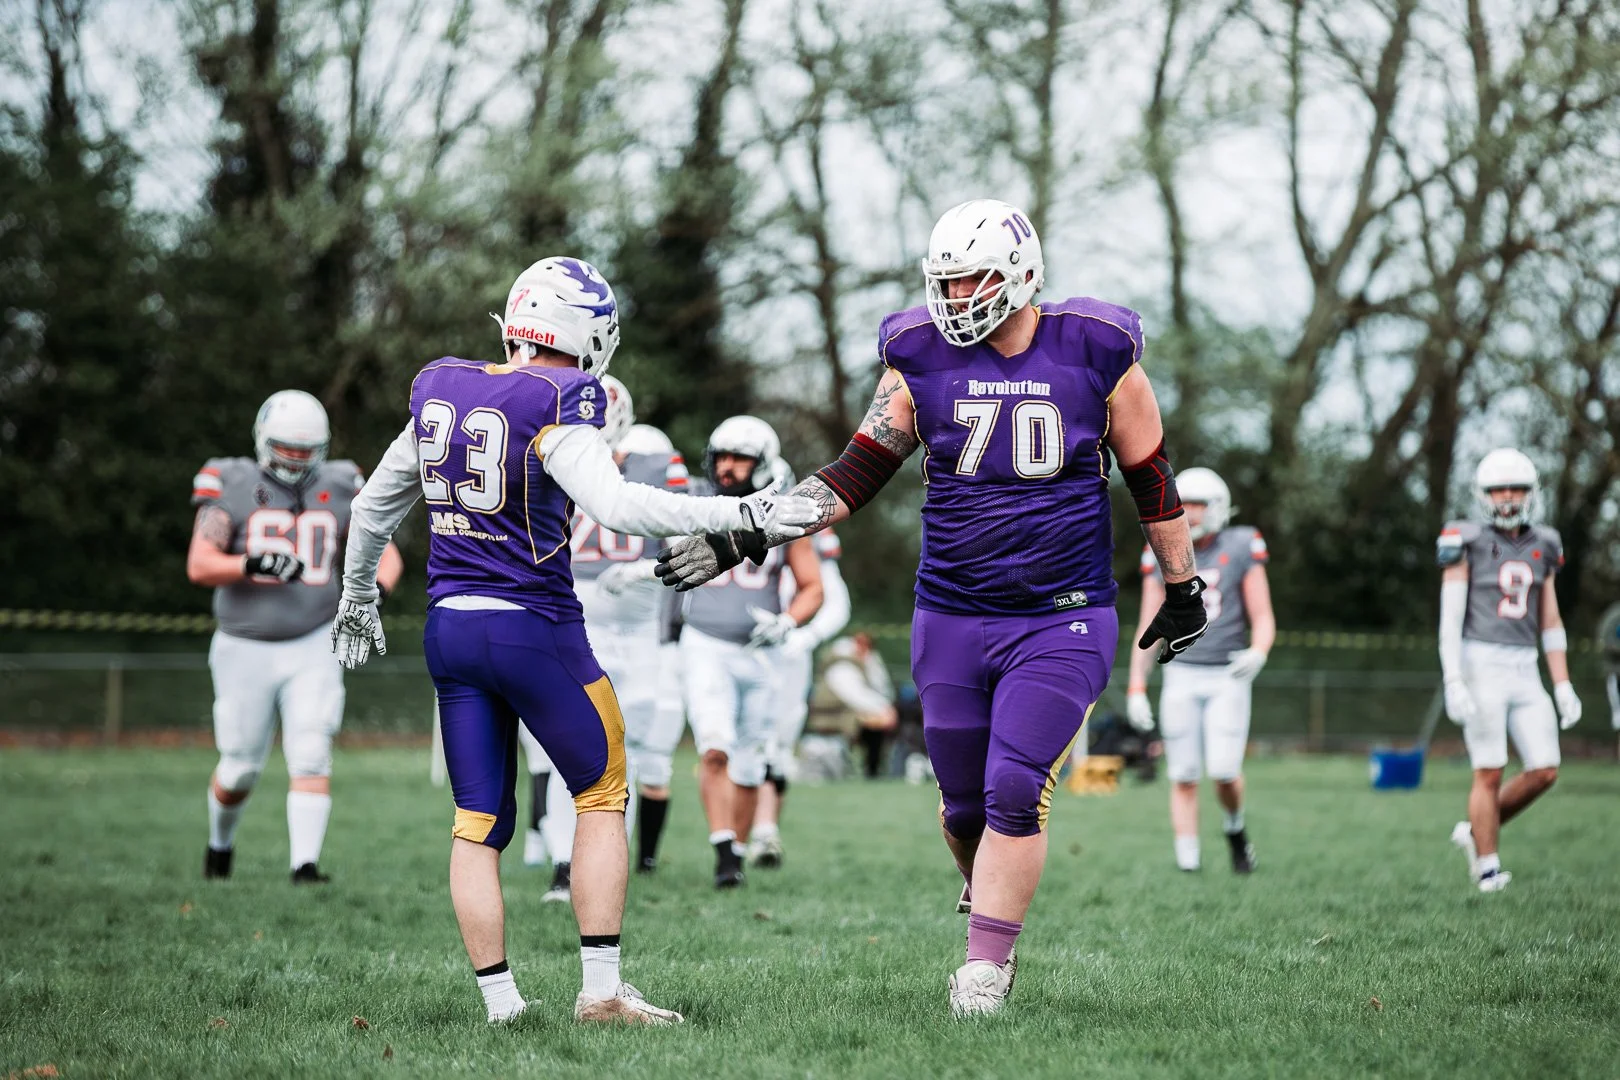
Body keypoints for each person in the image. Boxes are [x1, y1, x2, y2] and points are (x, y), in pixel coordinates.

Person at [656, 199, 1208, 1015]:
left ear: (1021, 274)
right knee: (963, 805)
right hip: (951, 609)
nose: (955, 297)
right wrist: (747, 536)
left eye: (972, 278)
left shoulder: (1098, 348)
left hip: (1063, 611)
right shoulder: (916, 356)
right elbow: (852, 474)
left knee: (1017, 786)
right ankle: (986, 887)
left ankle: (986, 967)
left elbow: (1153, 476)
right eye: (944, 282)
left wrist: (1183, 584)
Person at [330, 256, 815, 1024]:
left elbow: (373, 508)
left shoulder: (443, 386)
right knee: (602, 791)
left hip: (450, 630)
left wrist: (357, 592)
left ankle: (501, 1003)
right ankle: (600, 991)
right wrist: (740, 516)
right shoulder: (561, 395)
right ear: (588, 335)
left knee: (477, 819)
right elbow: (618, 505)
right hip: (533, 628)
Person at [188, 389, 403, 884]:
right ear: (265, 439)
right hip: (244, 643)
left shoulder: (342, 481)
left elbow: (386, 554)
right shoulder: (232, 480)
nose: (297, 458)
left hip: (315, 638)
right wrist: (248, 562)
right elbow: (199, 564)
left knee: (311, 748)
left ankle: (304, 867)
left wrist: (373, 595)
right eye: (288, 448)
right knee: (240, 765)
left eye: (307, 450)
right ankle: (220, 847)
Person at [529, 382, 692, 902]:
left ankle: (608, 865)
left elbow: (687, 544)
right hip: (577, 623)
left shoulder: (657, 462)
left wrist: (644, 570)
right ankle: (562, 864)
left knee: (634, 750)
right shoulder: (550, 457)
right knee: (565, 745)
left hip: (640, 629)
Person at [680, 417, 823, 888]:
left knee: (749, 762)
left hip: (761, 653)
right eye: (721, 455)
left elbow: (812, 589)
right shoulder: (696, 503)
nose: (726, 466)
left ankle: (736, 853)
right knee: (715, 747)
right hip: (705, 643)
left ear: (762, 462)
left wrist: (787, 621)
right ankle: (723, 849)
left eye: (739, 457)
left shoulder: (782, 511)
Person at [1438, 448, 1581, 893]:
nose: (1507, 496)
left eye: (1516, 488)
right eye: (1499, 488)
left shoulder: (1546, 542)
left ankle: (1476, 829)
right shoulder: (1465, 538)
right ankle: (1487, 868)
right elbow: (1450, 615)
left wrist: (1562, 685)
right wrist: (1453, 676)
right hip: (1480, 660)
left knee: (1545, 769)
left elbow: (1551, 620)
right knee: (1490, 769)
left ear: (1530, 493)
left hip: (1524, 665)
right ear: (1483, 494)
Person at [1125, 467, 1273, 874]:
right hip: (1182, 673)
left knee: (1225, 772)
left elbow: (1262, 616)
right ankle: (1187, 864)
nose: (1188, 512)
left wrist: (1258, 652)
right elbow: (1148, 624)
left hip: (1227, 673)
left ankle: (1234, 827)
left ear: (1219, 507)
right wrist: (1137, 686)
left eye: (1197, 504)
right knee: (1184, 773)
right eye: (1183, 503)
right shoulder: (1164, 550)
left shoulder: (1241, 545)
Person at [749, 519, 852, 867]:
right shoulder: (721, 510)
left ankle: (764, 831)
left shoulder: (805, 525)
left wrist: (806, 635)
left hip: (786, 649)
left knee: (776, 742)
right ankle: (729, 838)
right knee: (728, 743)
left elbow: (837, 601)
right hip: (731, 644)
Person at [812, 631, 897, 779]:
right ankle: (871, 770)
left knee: (879, 721)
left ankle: (874, 768)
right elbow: (855, 696)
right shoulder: (842, 665)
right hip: (837, 716)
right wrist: (885, 710)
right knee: (876, 723)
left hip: (850, 713)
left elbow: (882, 688)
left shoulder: (864, 660)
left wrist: (872, 661)